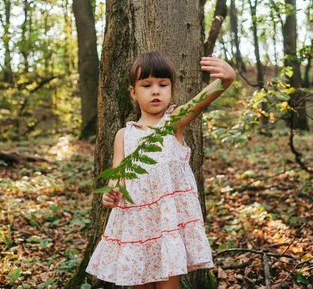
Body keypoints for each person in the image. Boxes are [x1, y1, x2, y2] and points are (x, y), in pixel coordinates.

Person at [86, 51, 236, 289]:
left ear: (171, 89)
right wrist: (111, 194)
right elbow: (118, 177)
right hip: (135, 224)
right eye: (146, 85)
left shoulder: (174, 122)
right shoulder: (124, 135)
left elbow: (201, 100)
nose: (155, 91)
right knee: (139, 283)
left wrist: (226, 80)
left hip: (168, 222)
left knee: (168, 283)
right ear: (133, 93)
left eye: (162, 84)